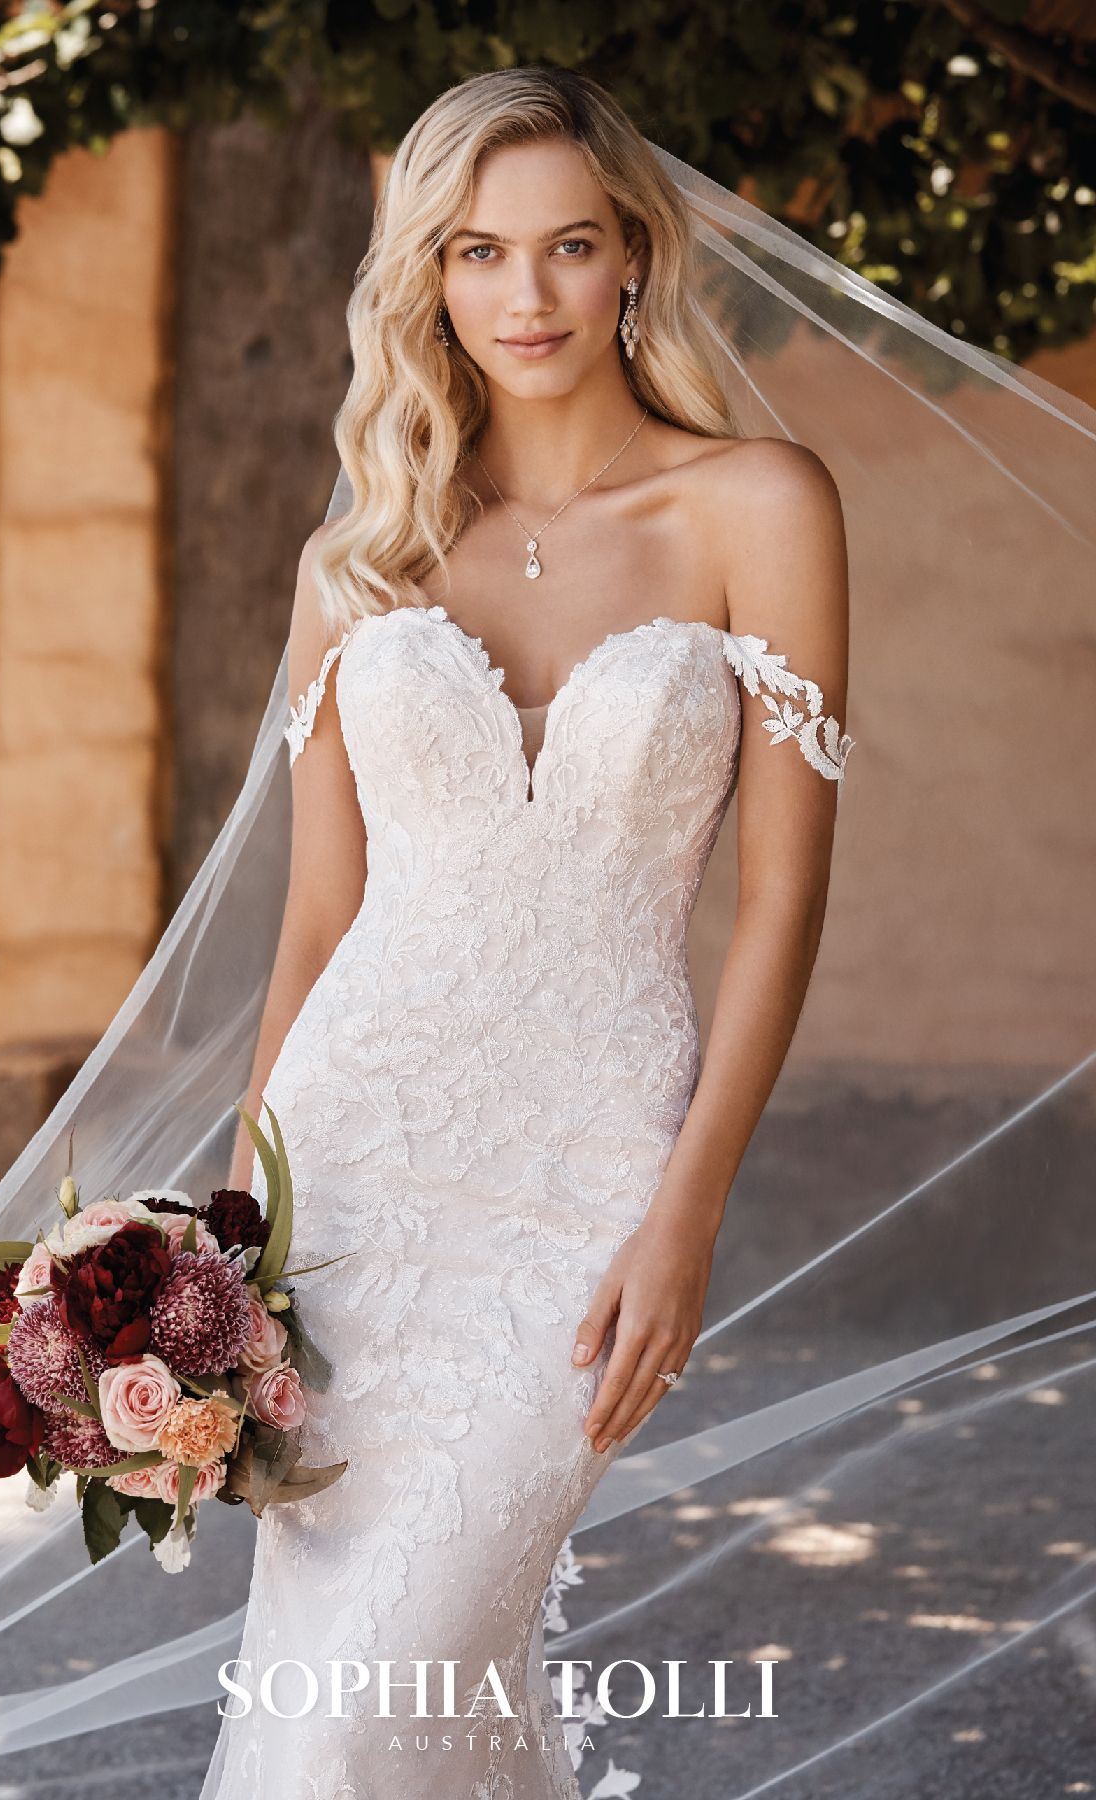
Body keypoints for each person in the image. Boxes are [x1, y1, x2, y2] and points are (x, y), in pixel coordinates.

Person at [204, 64, 851, 1799]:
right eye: (477, 252)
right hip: (355, 1171)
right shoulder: (362, 551)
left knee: (398, 1670)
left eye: (568, 244)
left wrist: (687, 1211)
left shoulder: (759, 504)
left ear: (632, 250)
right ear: (428, 275)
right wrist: (234, 1244)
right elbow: (320, 918)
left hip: (587, 1173)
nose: (525, 294)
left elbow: (783, 898)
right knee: (358, 1699)